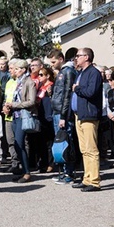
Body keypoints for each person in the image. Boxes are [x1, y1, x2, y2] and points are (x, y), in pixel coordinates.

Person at [71, 48, 103, 192]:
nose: (76, 58)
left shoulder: (93, 73)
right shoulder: (81, 72)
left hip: (89, 115)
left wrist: (77, 89)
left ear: (87, 57)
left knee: (91, 149)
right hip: (79, 114)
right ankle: (87, 178)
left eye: (78, 56)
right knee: (84, 150)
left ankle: (94, 181)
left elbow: (91, 92)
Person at [3, 59, 37, 184]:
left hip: (24, 116)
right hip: (15, 116)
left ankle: (27, 172)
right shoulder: (17, 82)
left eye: (17, 69)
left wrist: (14, 105)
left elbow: (31, 101)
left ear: (23, 69)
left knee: (20, 143)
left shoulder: (29, 82)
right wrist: (8, 107)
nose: (15, 71)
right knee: (16, 144)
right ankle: (23, 171)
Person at [48, 49, 77, 184]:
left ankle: (69, 172)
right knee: (60, 142)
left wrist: (64, 116)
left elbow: (67, 95)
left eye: (53, 61)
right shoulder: (61, 72)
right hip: (57, 111)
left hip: (63, 113)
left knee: (67, 141)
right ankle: (63, 171)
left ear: (61, 59)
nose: (52, 65)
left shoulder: (68, 71)